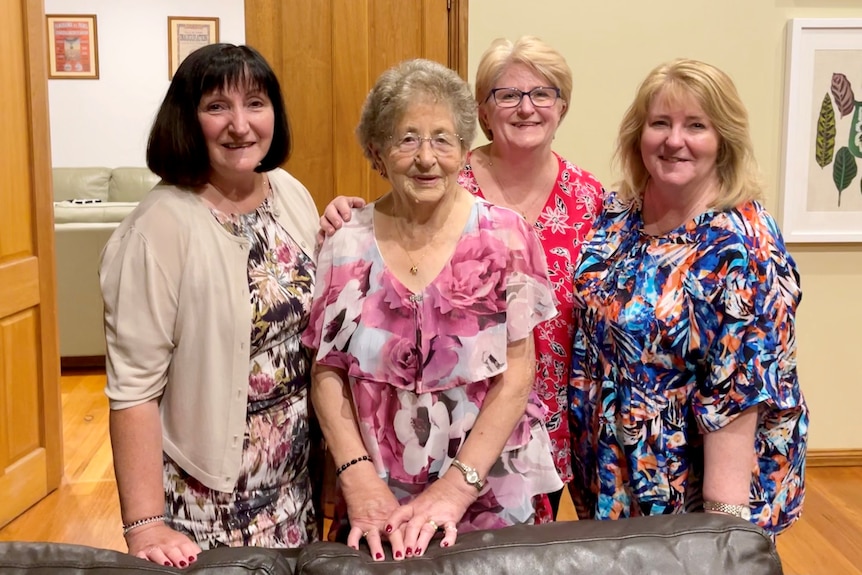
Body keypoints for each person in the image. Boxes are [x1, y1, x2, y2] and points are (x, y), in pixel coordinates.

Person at [319, 37, 605, 519]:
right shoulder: (358, 233)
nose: (426, 156)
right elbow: (329, 367)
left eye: (542, 93)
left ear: (563, 105)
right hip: (382, 473)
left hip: (526, 432)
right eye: (507, 94)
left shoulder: (587, 199)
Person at [100, 43, 321, 567]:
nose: (240, 124)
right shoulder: (157, 228)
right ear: (186, 118)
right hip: (208, 501)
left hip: (294, 483)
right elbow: (133, 388)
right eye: (216, 106)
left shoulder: (288, 192)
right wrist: (145, 526)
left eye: (255, 102)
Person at [567, 58, 808, 537]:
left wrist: (721, 536)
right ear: (639, 135)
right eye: (660, 123)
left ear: (724, 140)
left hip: (690, 501)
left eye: (696, 125)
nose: (674, 140)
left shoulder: (740, 249)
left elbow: (737, 399)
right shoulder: (619, 217)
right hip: (613, 477)